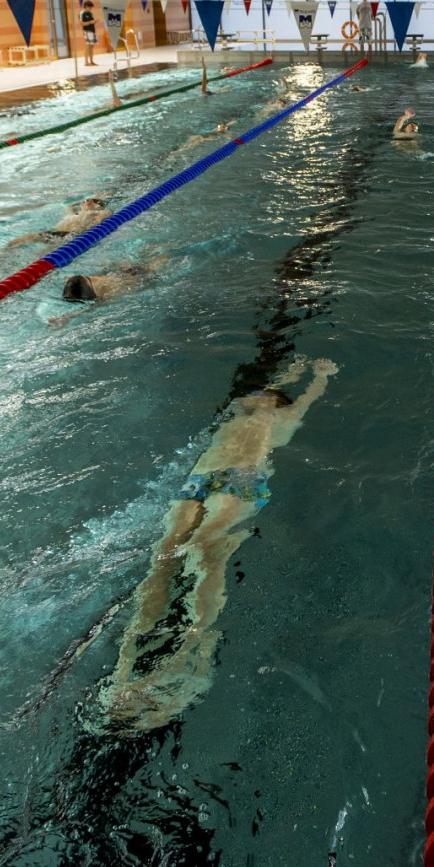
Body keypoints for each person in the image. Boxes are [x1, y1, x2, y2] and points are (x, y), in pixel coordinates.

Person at [99, 357, 339, 731]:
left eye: (264, 395)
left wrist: (320, 377)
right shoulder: (240, 412)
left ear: (275, 400)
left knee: (205, 549)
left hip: (242, 479)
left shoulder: (282, 416)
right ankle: (123, 670)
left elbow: (304, 399)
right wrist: (293, 368)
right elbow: (268, 387)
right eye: (255, 394)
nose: (256, 396)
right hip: (202, 476)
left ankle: (194, 653)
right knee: (163, 554)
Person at [6, 196, 112, 248]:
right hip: (55, 233)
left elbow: (104, 217)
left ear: (101, 207)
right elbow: (68, 206)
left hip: (72, 236)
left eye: (95, 201)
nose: (89, 202)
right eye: (86, 201)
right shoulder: (72, 215)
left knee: (45, 252)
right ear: (81, 207)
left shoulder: (100, 213)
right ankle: (6, 251)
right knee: (29, 237)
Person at [61, 256, 167, 303]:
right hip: (140, 275)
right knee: (160, 259)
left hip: (125, 272)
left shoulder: (100, 294)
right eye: (91, 278)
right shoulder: (114, 290)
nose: (94, 276)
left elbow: (90, 306)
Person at [80, 0, 98, 67]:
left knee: (91, 47)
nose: (91, 9)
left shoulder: (90, 13)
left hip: (92, 30)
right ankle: (86, 62)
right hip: (87, 31)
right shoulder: (82, 13)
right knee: (88, 46)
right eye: (90, 7)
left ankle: (91, 61)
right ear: (86, 6)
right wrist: (90, 22)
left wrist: (94, 21)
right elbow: (81, 23)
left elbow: (92, 21)